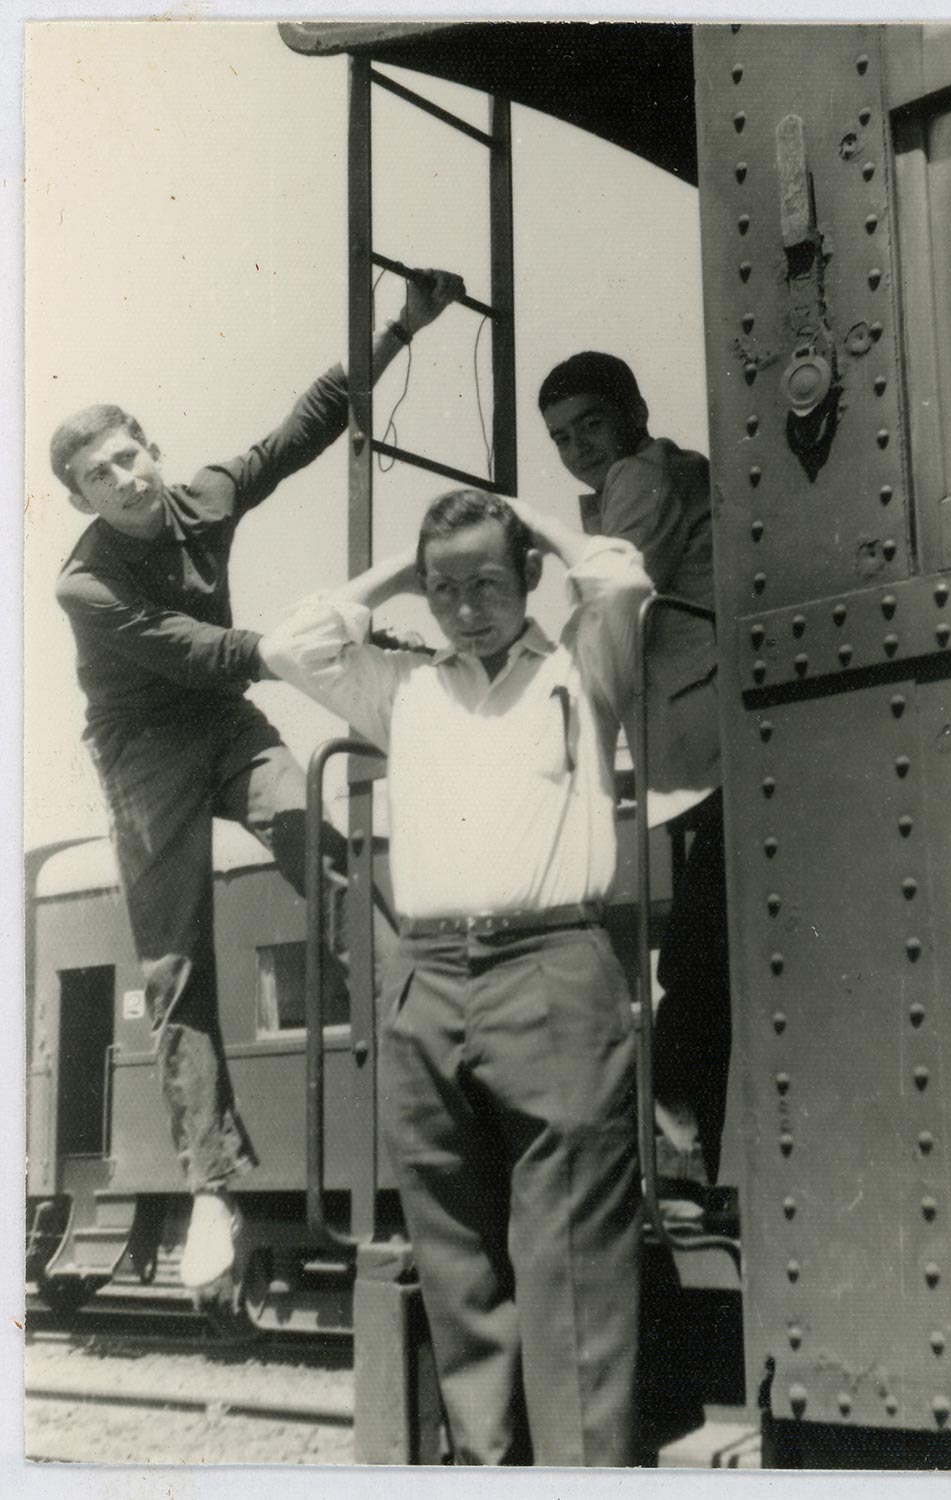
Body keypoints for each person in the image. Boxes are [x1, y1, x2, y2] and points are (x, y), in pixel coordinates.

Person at [51, 270, 465, 1294]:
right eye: (101, 476)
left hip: (225, 721)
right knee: (176, 961)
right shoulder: (84, 581)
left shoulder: (202, 497)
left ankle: (444, 1042)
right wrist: (284, 649)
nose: (126, 480)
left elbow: (303, 427)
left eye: (129, 456)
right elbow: (188, 648)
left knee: (314, 845)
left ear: (151, 448)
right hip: (143, 752)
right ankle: (210, 1187)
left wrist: (400, 329)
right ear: (82, 500)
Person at [259, 490, 652, 1465]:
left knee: (570, 1258)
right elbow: (291, 646)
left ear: (530, 576)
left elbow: (619, 577)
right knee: (454, 1254)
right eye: (445, 591)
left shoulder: (580, 666)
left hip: (552, 967)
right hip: (427, 977)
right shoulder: (405, 688)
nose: (466, 608)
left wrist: (527, 520)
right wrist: (406, 569)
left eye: (487, 583)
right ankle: (485, 1470)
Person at [538, 351, 730, 1192]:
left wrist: (531, 695)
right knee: (702, 953)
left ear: (632, 414)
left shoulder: (638, 478)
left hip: (709, 750)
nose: (577, 446)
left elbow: (610, 596)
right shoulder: (661, 472)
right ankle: (695, 1148)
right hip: (704, 749)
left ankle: (683, 1143)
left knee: (690, 962)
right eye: (560, 437)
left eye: (589, 424)